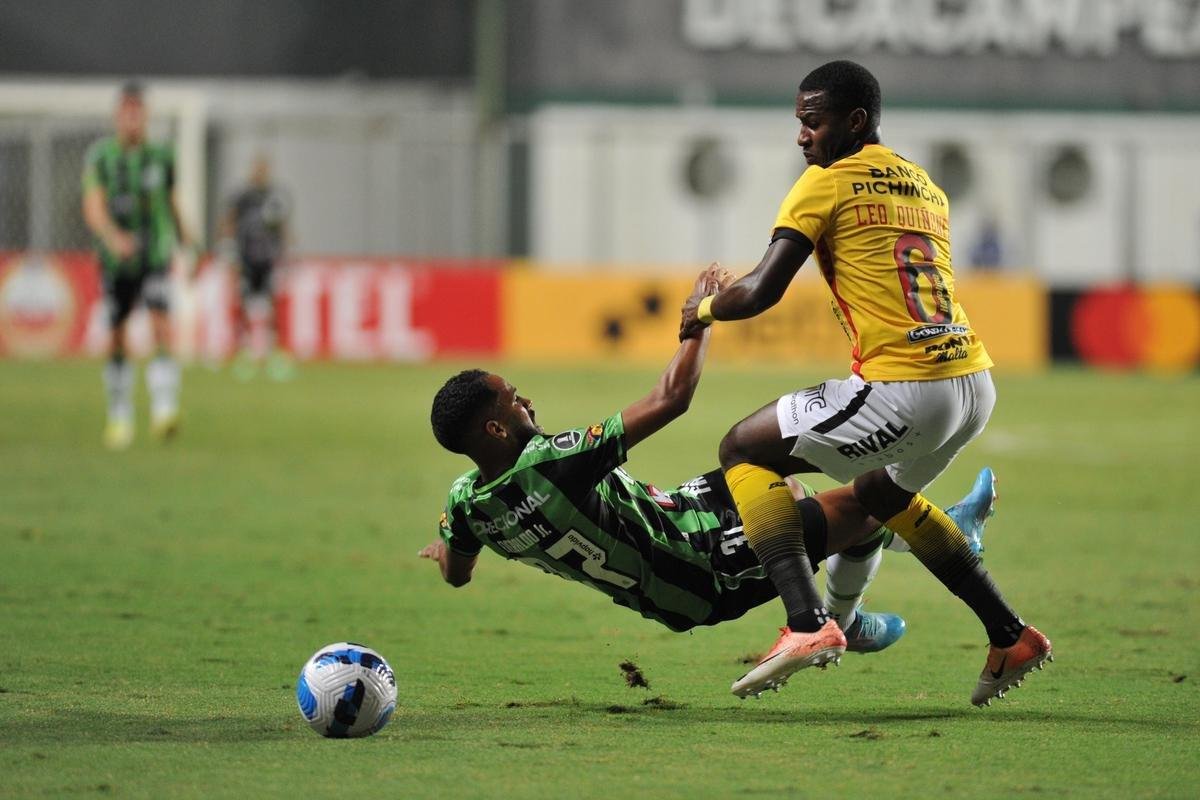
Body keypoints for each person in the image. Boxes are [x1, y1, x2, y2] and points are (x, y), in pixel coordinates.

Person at [678, 60, 1050, 705]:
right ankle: (1009, 633)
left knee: (741, 448)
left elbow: (762, 291)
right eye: (798, 122)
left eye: (812, 122)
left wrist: (702, 311)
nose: (802, 137)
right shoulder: (924, 185)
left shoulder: (825, 183)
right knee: (876, 496)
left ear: (854, 121)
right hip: (971, 383)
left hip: (907, 387)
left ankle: (806, 624)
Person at [422, 266, 998, 678]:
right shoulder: (550, 463)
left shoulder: (467, 506)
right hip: (694, 566)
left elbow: (456, 573)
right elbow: (671, 398)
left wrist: (445, 548)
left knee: (770, 472)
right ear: (496, 430)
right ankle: (852, 612)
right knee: (861, 504)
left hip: (671, 521)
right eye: (515, 402)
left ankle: (857, 597)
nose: (528, 405)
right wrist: (698, 317)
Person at [82, 81, 194, 449]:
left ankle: (164, 408)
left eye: (138, 111)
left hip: (156, 254)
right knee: (117, 335)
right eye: (126, 112)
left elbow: (172, 200)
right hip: (117, 260)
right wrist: (114, 238)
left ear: (145, 116)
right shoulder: (100, 157)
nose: (132, 118)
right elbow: (93, 206)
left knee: (162, 323)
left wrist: (187, 240)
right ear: (118, 116)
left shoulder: (162, 155)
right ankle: (120, 414)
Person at [221, 154, 294, 381]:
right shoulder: (242, 196)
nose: (260, 172)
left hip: (268, 260)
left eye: (264, 168)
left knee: (271, 305)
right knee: (244, 304)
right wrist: (227, 249)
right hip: (246, 259)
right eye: (258, 168)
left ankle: (272, 354)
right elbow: (229, 222)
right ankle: (245, 352)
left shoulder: (275, 196)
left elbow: (283, 227)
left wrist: (287, 252)